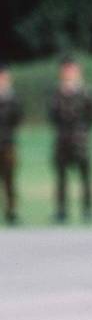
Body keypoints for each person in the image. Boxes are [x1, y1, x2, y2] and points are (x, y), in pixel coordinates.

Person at [49, 56, 92, 223]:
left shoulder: (86, 92)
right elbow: (53, 116)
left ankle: (87, 210)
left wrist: (83, 132)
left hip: (80, 141)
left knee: (85, 177)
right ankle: (61, 211)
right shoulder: (57, 92)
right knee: (61, 179)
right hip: (62, 141)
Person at [0, 63, 23, 225]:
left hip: (8, 143)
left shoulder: (13, 98)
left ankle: (12, 211)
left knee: (9, 179)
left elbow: (18, 119)